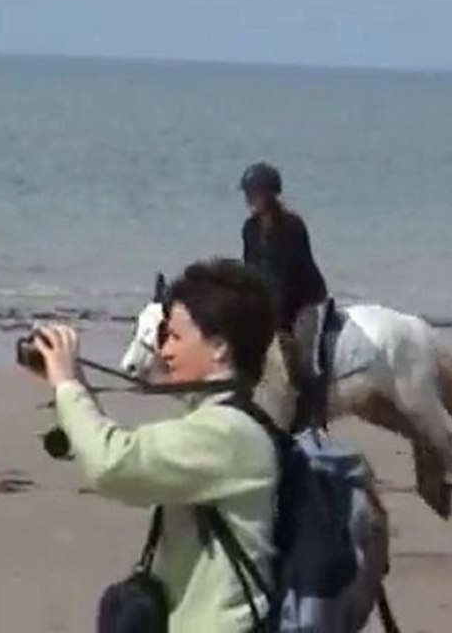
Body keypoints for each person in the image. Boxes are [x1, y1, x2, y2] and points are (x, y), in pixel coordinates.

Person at [24, 258, 278, 632]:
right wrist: (73, 382)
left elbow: (113, 464)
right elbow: (116, 452)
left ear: (219, 348)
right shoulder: (227, 422)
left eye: (174, 337)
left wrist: (68, 385)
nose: (164, 352)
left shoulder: (228, 433)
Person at [239, 162, 330, 429]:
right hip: (271, 303)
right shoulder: (249, 229)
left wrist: (278, 321)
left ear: (270, 194)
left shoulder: (292, 227)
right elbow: (251, 271)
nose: (248, 199)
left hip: (304, 302)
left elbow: (290, 276)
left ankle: (311, 415)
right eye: (248, 193)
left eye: (253, 193)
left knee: (302, 358)